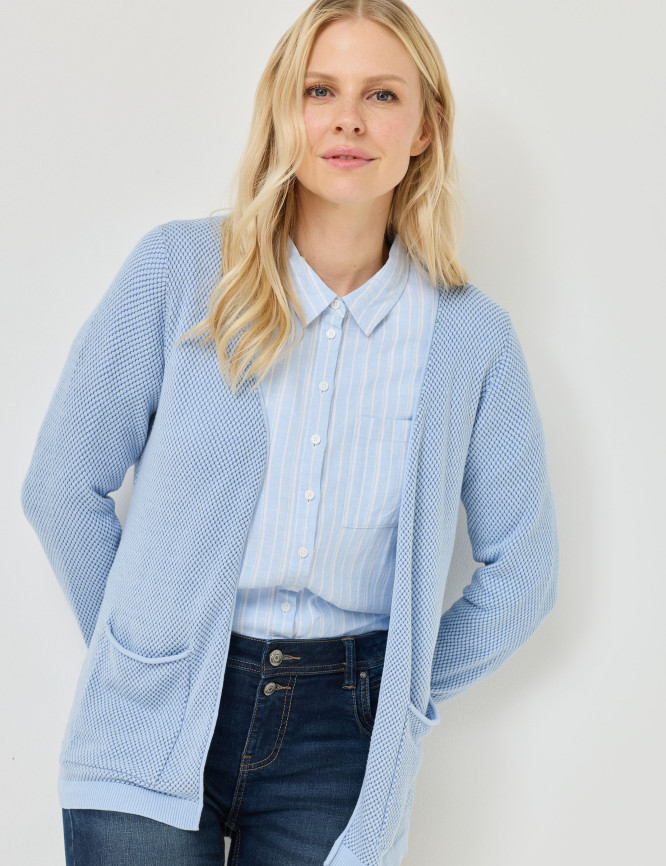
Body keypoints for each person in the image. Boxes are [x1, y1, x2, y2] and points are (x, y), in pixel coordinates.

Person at [20, 1, 559, 864]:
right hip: (146, 723)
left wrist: (397, 695)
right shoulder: (180, 271)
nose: (348, 118)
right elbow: (61, 486)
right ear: (284, 111)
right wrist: (143, 657)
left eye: (382, 94)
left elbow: (523, 576)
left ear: (424, 129)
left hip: (341, 740)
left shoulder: (470, 338)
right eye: (320, 90)